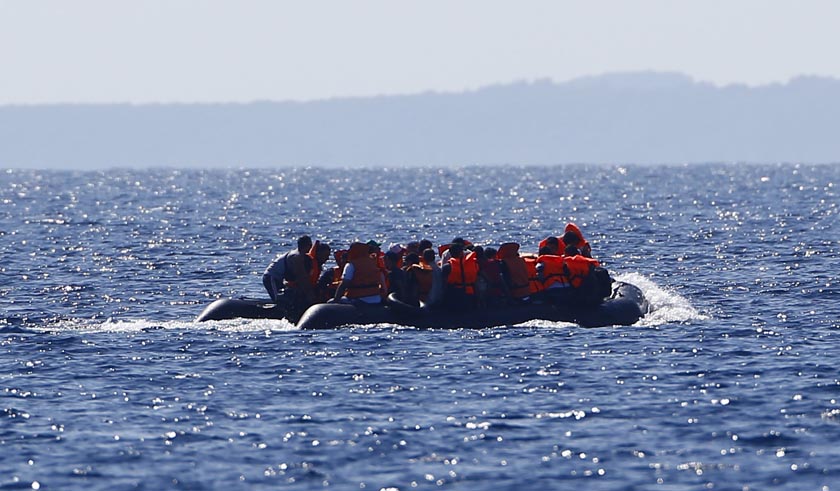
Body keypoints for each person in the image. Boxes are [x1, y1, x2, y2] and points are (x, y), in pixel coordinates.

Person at [263, 235, 315, 310]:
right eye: (310, 245)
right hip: (271, 277)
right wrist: (309, 293)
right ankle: (277, 311)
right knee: (278, 299)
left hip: (280, 279)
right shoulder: (296, 256)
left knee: (286, 298)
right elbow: (301, 277)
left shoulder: (302, 256)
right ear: (306, 245)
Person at [441, 242, 479, 310]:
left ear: (450, 253)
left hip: (454, 296)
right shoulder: (473, 263)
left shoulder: (447, 267)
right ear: (461, 252)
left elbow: (443, 283)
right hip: (470, 295)